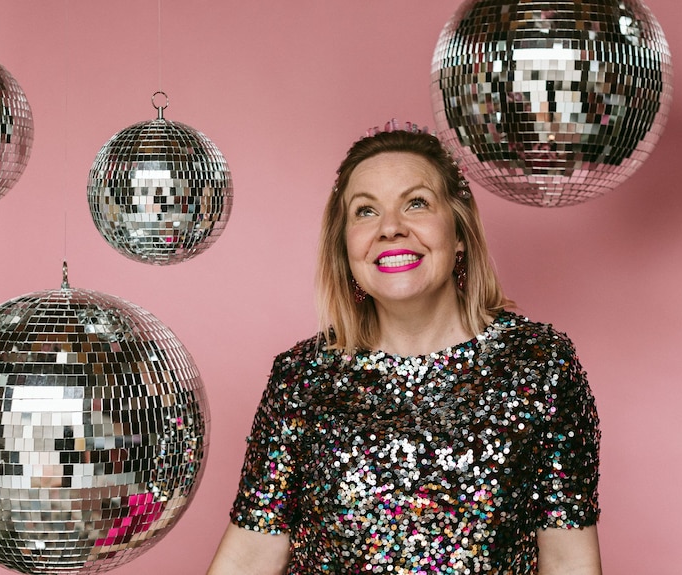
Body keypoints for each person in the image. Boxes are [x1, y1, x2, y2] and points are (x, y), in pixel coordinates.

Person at [207, 121, 602, 574]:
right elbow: (253, 552)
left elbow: (569, 559)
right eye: (365, 211)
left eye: (416, 203)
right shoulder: (301, 378)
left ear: (459, 232)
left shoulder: (539, 365)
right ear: (345, 246)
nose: (390, 228)